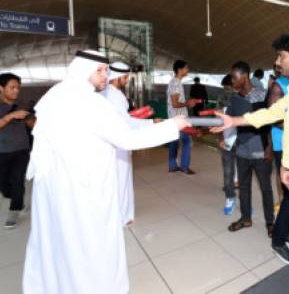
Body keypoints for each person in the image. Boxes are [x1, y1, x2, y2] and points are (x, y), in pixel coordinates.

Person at [22, 50, 189, 294]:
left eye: (106, 70)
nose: (105, 75)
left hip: (55, 187)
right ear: (83, 70)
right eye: (99, 70)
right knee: (89, 244)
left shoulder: (56, 94)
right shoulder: (89, 102)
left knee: (58, 240)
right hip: (83, 187)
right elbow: (126, 138)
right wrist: (171, 126)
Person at [212, 31, 289, 294]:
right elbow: (274, 112)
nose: (278, 62)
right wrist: (235, 121)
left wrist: (287, 167)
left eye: (281, 56)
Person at [223, 61, 274, 235]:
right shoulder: (235, 98)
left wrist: (270, 147)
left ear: (244, 77)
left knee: (265, 187)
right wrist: (222, 138)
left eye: (234, 76)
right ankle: (246, 218)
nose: (232, 80)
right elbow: (228, 120)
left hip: (261, 149)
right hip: (242, 149)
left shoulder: (262, 95)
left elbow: (270, 122)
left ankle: (270, 222)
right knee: (244, 186)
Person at [102, 61, 152, 226]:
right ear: (120, 77)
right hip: (119, 144)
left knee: (116, 180)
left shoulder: (107, 92)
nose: (127, 79)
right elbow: (126, 123)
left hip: (112, 143)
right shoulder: (115, 95)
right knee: (121, 180)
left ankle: (118, 213)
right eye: (126, 76)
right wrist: (151, 123)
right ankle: (123, 216)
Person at [267, 64, 289, 266]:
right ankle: (278, 240)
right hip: (284, 146)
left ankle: (284, 232)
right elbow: (273, 116)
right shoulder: (279, 86)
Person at [0, 73, 35, 228]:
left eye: (18, 88)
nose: (16, 91)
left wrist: (33, 122)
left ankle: (14, 210)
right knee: (4, 185)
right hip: (2, 151)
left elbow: (33, 125)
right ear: (1, 88)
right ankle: (18, 200)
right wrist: (10, 116)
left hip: (21, 150)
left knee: (17, 181)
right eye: (12, 87)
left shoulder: (22, 105)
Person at [167, 60, 197, 175]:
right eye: (186, 68)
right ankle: (184, 167)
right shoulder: (176, 83)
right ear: (180, 70)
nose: (187, 70)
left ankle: (173, 166)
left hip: (174, 118)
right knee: (187, 142)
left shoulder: (174, 82)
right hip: (179, 119)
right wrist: (188, 104)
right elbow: (175, 104)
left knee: (174, 142)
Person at [217, 74, 238, 215]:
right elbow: (217, 119)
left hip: (242, 140)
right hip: (227, 139)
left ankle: (244, 203)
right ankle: (230, 198)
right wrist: (220, 139)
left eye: (229, 86)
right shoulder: (221, 98)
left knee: (241, 173)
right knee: (228, 171)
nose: (227, 90)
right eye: (225, 87)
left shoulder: (243, 97)